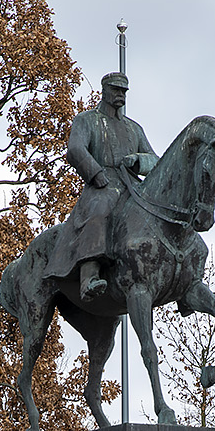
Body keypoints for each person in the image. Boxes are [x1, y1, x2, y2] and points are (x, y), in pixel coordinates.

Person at [45, 72, 158, 302]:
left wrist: (138, 160)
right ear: (104, 91)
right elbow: (75, 149)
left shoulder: (134, 129)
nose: (120, 95)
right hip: (102, 186)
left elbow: (155, 161)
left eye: (124, 91)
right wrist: (95, 173)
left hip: (131, 188)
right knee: (99, 212)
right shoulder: (87, 120)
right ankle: (89, 277)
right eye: (116, 90)